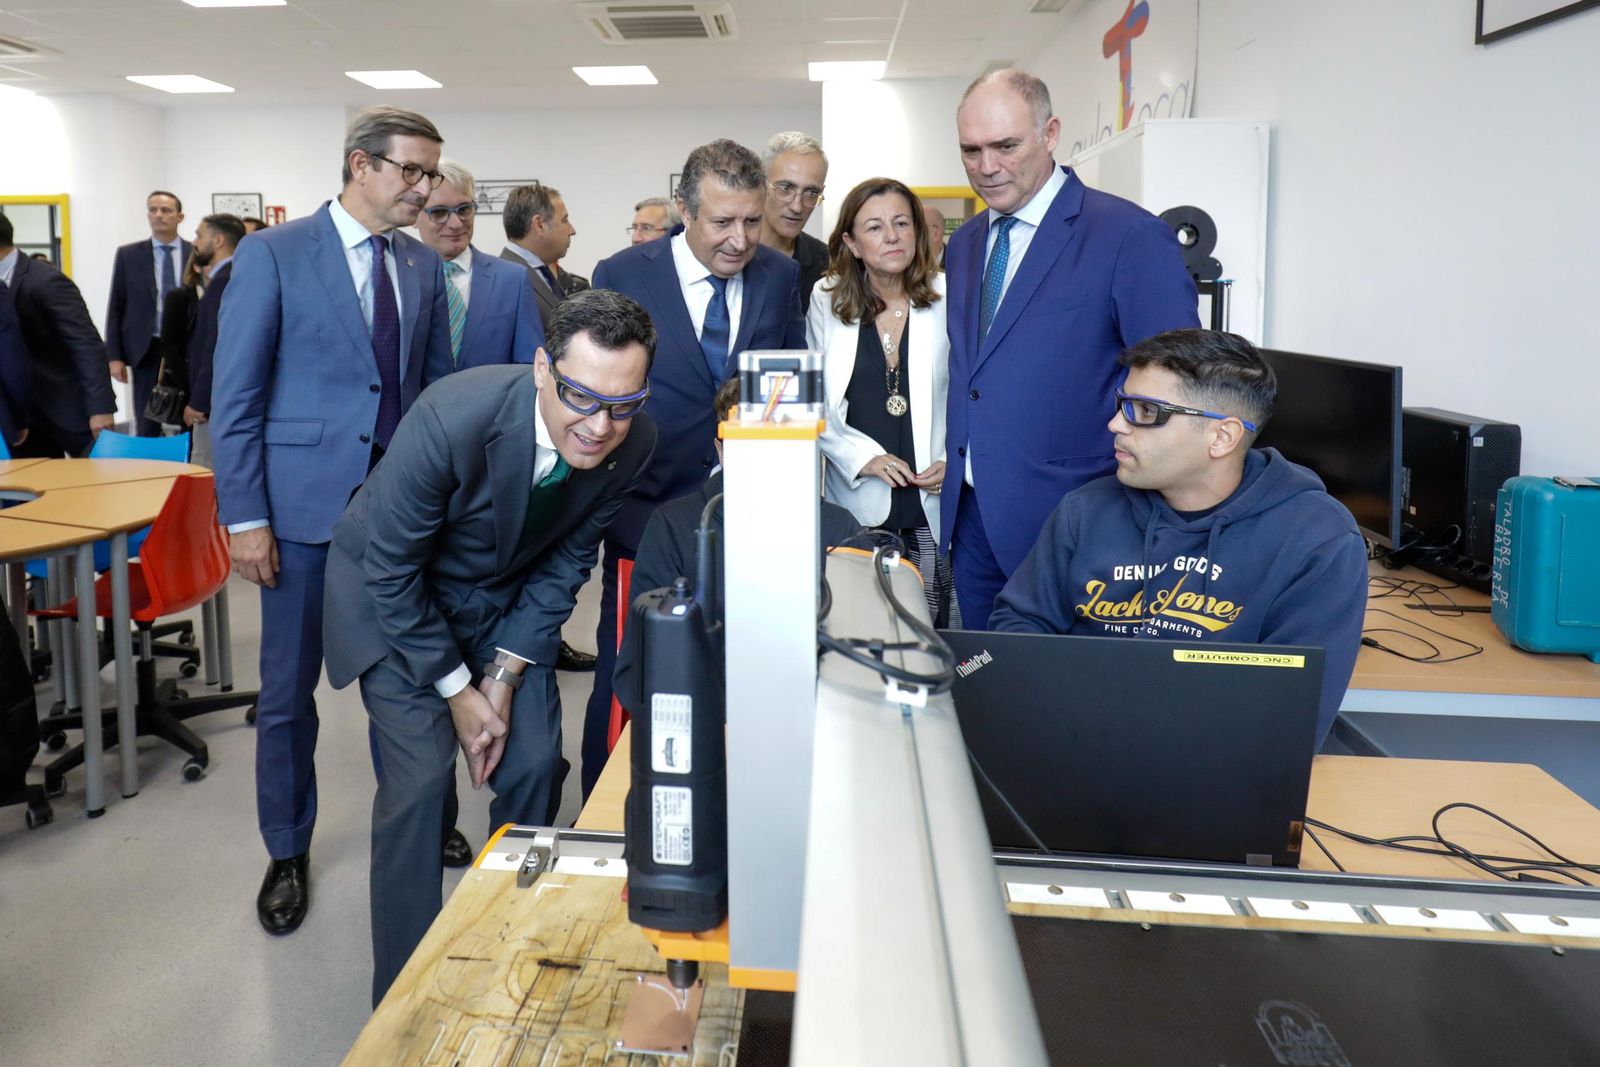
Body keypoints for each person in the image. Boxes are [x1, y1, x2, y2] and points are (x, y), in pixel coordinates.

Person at [322, 289, 658, 1006]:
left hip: (501, 606)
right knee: (416, 788)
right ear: (542, 367)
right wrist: (457, 691)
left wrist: (501, 677)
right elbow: (390, 568)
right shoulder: (453, 416)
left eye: (624, 404)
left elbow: (568, 560)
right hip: (395, 601)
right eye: (581, 397)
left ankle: (511, 948)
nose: (600, 426)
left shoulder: (636, 441)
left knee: (536, 763)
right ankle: (403, 999)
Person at [212, 105, 454, 938]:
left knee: (410, 679)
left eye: (432, 172)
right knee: (287, 696)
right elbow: (236, 400)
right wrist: (245, 517)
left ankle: (416, 817)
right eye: (412, 172)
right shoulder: (274, 253)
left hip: (398, 517)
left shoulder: (420, 267)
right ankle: (286, 847)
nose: (426, 189)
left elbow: (427, 395)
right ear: (361, 165)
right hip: (301, 513)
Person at [990, 329, 1368, 747]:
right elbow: (1018, 627)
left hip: (1216, 774)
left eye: (1146, 411)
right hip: (1072, 744)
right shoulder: (1086, 509)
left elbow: (1289, 720)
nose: (1115, 424)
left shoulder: (1319, 541)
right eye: (1122, 404)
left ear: (1222, 437)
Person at [584, 138, 805, 798]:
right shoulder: (623, 272)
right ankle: (611, 806)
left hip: (747, 516)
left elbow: (783, 388)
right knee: (631, 673)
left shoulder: (780, 277)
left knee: (738, 673)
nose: (740, 240)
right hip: (645, 512)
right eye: (722, 222)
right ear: (685, 211)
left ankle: (730, 802)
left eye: (752, 221)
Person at [940, 69, 1200, 629]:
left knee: (1069, 704)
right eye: (971, 150)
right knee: (989, 688)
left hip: (1082, 520)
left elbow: (1178, 386)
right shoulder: (964, 245)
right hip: (973, 519)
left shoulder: (1128, 236)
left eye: (1006, 146)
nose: (987, 167)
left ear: (1051, 132)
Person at [614, 376, 860, 705]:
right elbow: (639, 670)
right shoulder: (672, 527)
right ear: (721, 450)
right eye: (748, 444)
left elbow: (863, 657)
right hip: (705, 724)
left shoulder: (839, 529)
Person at [808, 178, 954, 625]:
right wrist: (863, 457)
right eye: (874, 227)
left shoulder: (950, 296)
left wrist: (956, 461)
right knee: (861, 623)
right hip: (860, 496)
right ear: (851, 242)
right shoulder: (826, 298)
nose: (891, 236)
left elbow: (976, 394)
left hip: (933, 490)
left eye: (901, 223)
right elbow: (814, 400)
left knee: (930, 623)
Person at [0, 214, 116, 457]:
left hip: (68, 408)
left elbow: (85, 344)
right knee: (32, 490)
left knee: (97, 486)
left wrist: (100, 407)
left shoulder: (46, 280)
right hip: (20, 418)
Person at [415, 159, 544, 370]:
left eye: (464, 209)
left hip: (494, 403)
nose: (456, 223)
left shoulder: (511, 280)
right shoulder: (398, 278)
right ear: (414, 215)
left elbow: (529, 367)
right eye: (439, 212)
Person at [105, 190, 192, 436]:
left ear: (180, 216)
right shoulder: (129, 255)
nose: (158, 215)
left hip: (185, 346)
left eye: (165, 210)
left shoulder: (193, 253)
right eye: (152, 210)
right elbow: (116, 307)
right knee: (146, 420)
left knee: (189, 414)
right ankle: (149, 467)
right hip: (145, 346)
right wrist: (114, 356)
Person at [184, 213, 246, 467]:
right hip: (222, 402)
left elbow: (216, 346)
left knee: (207, 476)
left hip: (214, 406)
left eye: (200, 235)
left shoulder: (225, 281)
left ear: (218, 240)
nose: (195, 242)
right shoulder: (234, 275)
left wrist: (200, 401)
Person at [759, 132, 829, 313]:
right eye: (785, 188)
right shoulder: (729, 253)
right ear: (760, 183)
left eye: (811, 192)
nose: (797, 207)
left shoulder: (829, 264)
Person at [500, 183, 576, 335]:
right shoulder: (505, 280)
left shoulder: (543, 273)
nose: (572, 230)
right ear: (539, 225)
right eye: (565, 220)